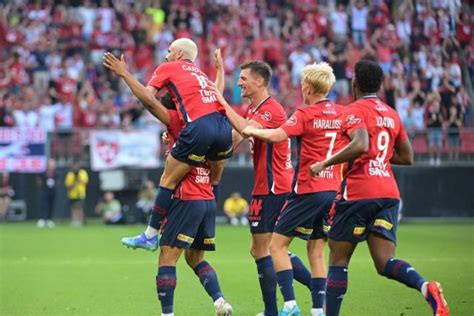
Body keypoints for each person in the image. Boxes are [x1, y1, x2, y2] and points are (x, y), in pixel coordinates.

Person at [310, 59, 449, 316]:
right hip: (388, 193)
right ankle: (425, 287)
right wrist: (379, 157)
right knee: (385, 262)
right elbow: (407, 157)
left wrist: (325, 163)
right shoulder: (391, 113)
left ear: (355, 83)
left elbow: (361, 144)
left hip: (358, 192)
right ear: (380, 85)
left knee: (338, 260)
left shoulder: (353, 110)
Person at [103, 39, 233, 245]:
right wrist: (221, 71)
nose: (166, 55)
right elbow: (216, 94)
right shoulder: (201, 76)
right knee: (213, 180)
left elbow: (148, 99)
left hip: (200, 127)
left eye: (169, 51)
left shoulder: (170, 67)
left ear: (179, 55)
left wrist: (124, 74)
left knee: (167, 180)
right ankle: (206, 230)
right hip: (224, 127)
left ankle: (150, 234)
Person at [243, 62, 346, 316]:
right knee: (317, 250)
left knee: (276, 246)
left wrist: (250, 130)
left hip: (308, 189)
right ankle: (318, 310)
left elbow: (279, 135)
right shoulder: (342, 114)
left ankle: (289, 305)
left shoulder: (305, 114)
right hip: (333, 189)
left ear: (308, 88)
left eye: (302, 85)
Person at [212, 61, 312, 316]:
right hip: (267, 187)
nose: (239, 83)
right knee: (266, 249)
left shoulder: (271, 110)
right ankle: (314, 291)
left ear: (259, 81)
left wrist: (222, 104)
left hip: (274, 187)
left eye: (243, 78)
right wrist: (212, 151)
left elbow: (247, 130)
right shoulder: (255, 108)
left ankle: (284, 306)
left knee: (265, 249)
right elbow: (237, 137)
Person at [123, 93, 233, 316]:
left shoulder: (179, 122)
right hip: (207, 198)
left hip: (187, 197)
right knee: (195, 258)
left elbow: (150, 103)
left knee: (167, 257)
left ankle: (167, 314)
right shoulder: (209, 125)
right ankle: (220, 301)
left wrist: (125, 74)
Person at [65, 162, 89, 227]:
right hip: (72, 194)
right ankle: (74, 220)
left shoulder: (83, 173)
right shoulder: (70, 174)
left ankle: (80, 220)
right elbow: (67, 185)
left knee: (79, 207)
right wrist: (74, 183)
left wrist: (79, 179)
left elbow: (86, 182)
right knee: (73, 208)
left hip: (81, 193)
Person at [36, 158, 57, 228]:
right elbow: (39, 182)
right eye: (51, 164)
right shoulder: (43, 173)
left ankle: (49, 219)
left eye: (53, 165)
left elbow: (57, 182)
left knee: (51, 205)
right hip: (45, 191)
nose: (52, 166)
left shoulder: (56, 174)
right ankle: (42, 219)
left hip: (52, 192)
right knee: (44, 205)